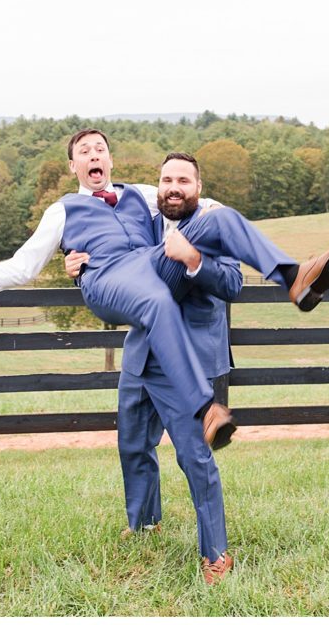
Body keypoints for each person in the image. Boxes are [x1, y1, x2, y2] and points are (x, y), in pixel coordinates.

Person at [0, 128, 329, 446]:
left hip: (148, 268)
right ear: (74, 167)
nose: (93, 155)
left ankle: (294, 279)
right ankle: (205, 408)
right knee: (155, 303)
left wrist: (218, 214)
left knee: (220, 219)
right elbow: (22, 267)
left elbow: (192, 202)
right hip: (113, 282)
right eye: (84, 152)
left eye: (100, 149)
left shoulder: (142, 194)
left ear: (110, 161)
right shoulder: (62, 211)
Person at [65, 152, 240, 584]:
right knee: (132, 443)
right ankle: (144, 523)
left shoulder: (214, 222)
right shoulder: (146, 222)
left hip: (191, 361)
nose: (173, 186)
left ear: (199, 185)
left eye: (183, 179)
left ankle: (216, 554)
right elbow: (115, 272)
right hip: (142, 353)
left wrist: (194, 261)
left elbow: (233, 282)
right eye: (166, 179)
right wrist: (79, 269)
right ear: (156, 186)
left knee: (194, 456)